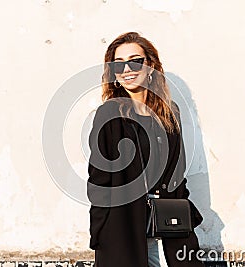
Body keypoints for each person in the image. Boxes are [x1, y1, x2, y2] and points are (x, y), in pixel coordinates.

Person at [87, 32, 204, 267]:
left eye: (135, 61)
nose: (127, 69)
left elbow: (177, 172)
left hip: (169, 221)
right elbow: (99, 179)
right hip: (125, 225)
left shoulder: (171, 113)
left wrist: (186, 216)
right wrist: (101, 232)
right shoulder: (109, 114)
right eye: (118, 64)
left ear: (150, 66)